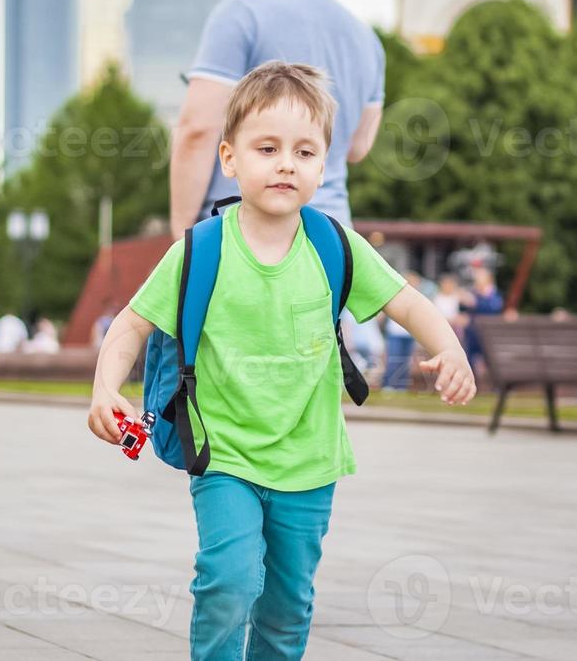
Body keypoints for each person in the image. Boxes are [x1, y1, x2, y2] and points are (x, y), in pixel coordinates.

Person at [88, 61, 475, 660]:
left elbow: (406, 301)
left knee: (288, 607)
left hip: (309, 462)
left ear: (323, 166)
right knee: (230, 582)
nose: (286, 163)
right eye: (267, 148)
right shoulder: (201, 249)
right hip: (224, 456)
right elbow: (131, 327)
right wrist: (104, 388)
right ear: (230, 157)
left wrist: (448, 347)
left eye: (304, 151)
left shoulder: (333, 245)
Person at [169, 0, 385, 234]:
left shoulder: (240, 15)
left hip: (245, 237)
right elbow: (358, 147)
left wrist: (182, 237)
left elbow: (197, 130)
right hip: (331, 237)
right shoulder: (366, 37)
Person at [380, 271, 425, 392]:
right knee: (394, 359)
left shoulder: (418, 298)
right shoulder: (396, 295)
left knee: (405, 361)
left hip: (409, 334)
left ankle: (401, 386)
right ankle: (389, 384)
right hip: (395, 333)